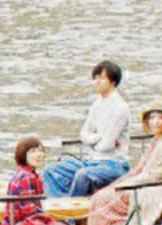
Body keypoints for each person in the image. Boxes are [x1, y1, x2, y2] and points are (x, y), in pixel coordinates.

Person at [87, 99, 162, 225]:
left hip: (158, 186)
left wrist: (129, 184)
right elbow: (139, 169)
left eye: (160, 118)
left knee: (106, 198)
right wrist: (120, 183)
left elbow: (156, 175)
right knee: (101, 195)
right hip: (145, 180)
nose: (155, 122)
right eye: (152, 118)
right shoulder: (155, 141)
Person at [43, 59, 132, 197]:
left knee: (82, 175)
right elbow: (83, 134)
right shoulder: (98, 103)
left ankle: (71, 214)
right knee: (51, 170)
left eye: (101, 78)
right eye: (96, 78)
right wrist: (97, 138)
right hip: (92, 161)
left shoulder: (120, 107)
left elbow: (106, 146)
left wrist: (94, 141)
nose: (97, 82)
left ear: (113, 81)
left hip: (114, 164)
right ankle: (63, 205)